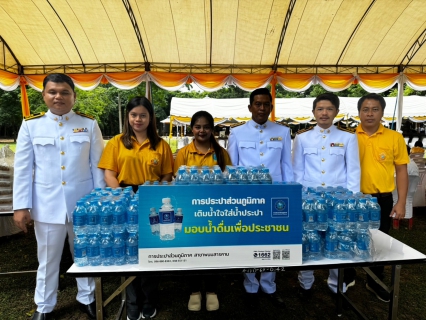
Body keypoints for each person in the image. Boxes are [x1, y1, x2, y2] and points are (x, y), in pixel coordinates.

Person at [13, 73, 105, 320]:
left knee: (85, 254)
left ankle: (87, 298)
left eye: (65, 92)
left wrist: (99, 202)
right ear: (43, 95)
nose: (58, 97)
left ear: (74, 96)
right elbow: (23, 168)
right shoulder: (31, 125)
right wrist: (21, 206)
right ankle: (44, 306)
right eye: (52, 91)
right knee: (47, 259)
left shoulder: (89, 124)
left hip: (84, 204)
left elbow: (98, 166)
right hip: (46, 206)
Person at [98, 96, 173, 320]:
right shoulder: (116, 142)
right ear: (128, 117)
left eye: (142, 115)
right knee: (128, 250)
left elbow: (167, 175)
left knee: (150, 250)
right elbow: (109, 174)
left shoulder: (161, 145)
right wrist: (124, 196)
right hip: (124, 201)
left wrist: (153, 195)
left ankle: (149, 299)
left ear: (150, 118)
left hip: (151, 201)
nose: (137, 119)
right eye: (133, 115)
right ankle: (132, 301)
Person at [227, 87, 293, 308]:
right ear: (250, 107)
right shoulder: (237, 133)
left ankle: (269, 285)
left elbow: (286, 165)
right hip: (247, 197)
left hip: (275, 197)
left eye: (266, 104)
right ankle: (250, 285)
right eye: (258, 104)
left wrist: (289, 192)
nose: (262, 108)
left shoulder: (283, 132)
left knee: (273, 240)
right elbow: (232, 168)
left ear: (271, 107)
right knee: (248, 240)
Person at [292, 93, 360, 297]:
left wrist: (352, 201)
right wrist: (301, 199)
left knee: (337, 239)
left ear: (336, 112)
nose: (324, 113)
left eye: (329, 109)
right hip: (310, 201)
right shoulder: (302, 137)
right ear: (313, 112)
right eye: (320, 109)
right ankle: (306, 283)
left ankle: (335, 283)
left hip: (338, 201)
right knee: (308, 240)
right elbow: (298, 172)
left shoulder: (347, 137)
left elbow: (353, 171)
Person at [173, 111, 232, 312]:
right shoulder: (183, 153)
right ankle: (194, 291)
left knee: (214, 250)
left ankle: (212, 291)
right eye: (198, 127)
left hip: (215, 211)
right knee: (191, 251)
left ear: (212, 129)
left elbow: (229, 182)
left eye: (206, 127)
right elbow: (177, 183)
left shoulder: (222, 153)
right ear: (192, 129)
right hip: (190, 211)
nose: (202, 131)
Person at [356, 93, 408, 302]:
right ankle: (348, 276)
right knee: (350, 238)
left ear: (382, 112)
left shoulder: (394, 137)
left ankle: (375, 280)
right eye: (365, 109)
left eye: (374, 109)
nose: (369, 114)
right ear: (359, 112)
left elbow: (402, 171)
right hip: (354, 200)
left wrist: (401, 201)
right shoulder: (350, 137)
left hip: (381, 199)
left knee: (379, 242)